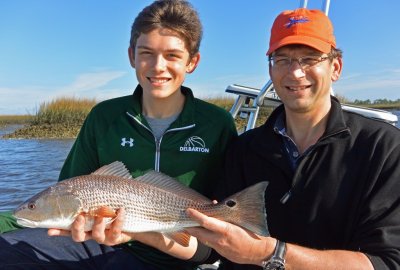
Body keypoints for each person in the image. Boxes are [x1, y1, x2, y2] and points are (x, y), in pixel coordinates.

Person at [0, 0, 237, 269]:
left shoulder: (217, 123)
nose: (158, 66)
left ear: (192, 62)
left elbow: (222, 223)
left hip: (186, 249)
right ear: (131, 56)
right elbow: (73, 185)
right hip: (106, 245)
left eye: (172, 55)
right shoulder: (104, 116)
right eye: (146, 53)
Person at [186, 8, 400, 270]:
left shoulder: (383, 148)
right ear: (270, 69)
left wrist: (272, 253)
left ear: (335, 67)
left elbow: (387, 262)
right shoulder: (243, 148)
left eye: (310, 59)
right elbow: (210, 248)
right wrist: (138, 227)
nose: (296, 72)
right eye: (283, 59)